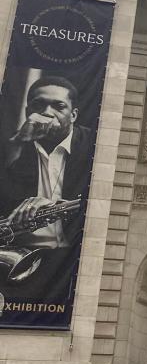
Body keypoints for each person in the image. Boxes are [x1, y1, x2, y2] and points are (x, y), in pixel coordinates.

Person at [0, 75, 94, 295]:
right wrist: (16, 146)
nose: (47, 112)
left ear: (73, 115)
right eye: (38, 104)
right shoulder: (13, 148)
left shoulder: (93, 145)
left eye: (58, 106)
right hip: (18, 254)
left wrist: (53, 204)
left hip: (69, 261)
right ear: (27, 111)